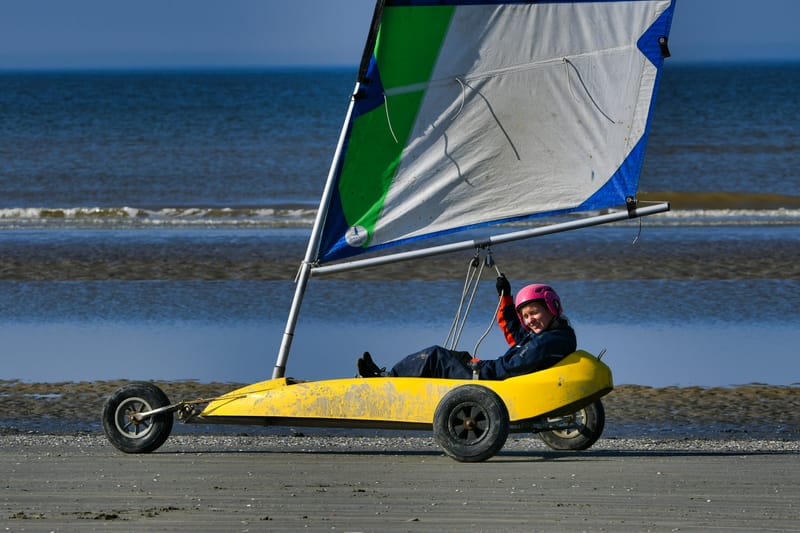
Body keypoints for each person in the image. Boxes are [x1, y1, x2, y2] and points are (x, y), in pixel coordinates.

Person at [357, 276, 576, 380]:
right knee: (457, 356)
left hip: (489, 378)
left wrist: (479, 367)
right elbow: (516, 336)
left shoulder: (549, 341)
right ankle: (388, 376)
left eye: (534, 313)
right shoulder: (554, 335)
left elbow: (512, 367)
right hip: (491, 371)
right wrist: (506, 298)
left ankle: (387, 379)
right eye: (525, 316)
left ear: (552, 308)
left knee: (434, 356)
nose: (529, 321)